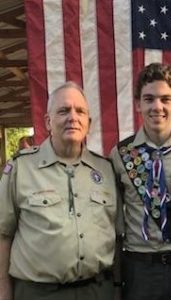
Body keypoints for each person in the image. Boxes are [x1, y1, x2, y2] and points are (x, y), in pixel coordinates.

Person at [0, 81, 118, 300]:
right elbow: (3, 235)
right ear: (48, 121)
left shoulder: (106, 170)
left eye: (80, 111)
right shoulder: (21, 168)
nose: (72, 117)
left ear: (88, 123)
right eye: (63, 111)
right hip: (38, 293)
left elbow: (117, 235)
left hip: (98, 291)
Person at [110, 63, 171, 300]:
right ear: (138, 104)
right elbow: (111, 216)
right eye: (149, 98)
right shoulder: (121, 154)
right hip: (139, 269)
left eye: (165, 99)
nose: (157, 106)